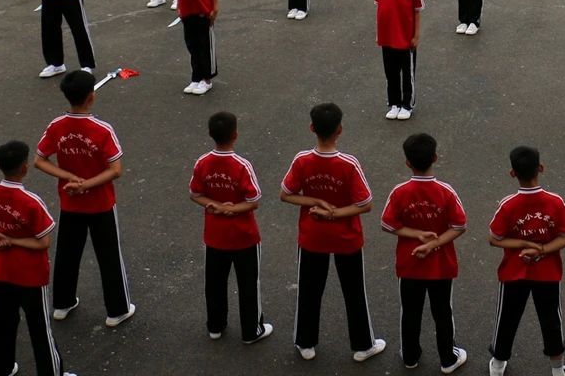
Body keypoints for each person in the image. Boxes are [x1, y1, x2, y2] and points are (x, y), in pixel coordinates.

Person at [280, 102, 384, 362]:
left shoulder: (302, 160)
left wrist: (313, 201)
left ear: (311, 128)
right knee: (354, 291)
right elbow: (366, 204)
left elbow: (286, 194)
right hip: (346, 238)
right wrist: (334, 213)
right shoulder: (348, 164)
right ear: (340, 129)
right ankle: (363, 345)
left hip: (312, 236)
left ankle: (305, 342)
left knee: (309, 289)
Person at [34, 70, 134, 328]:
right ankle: (117, 309)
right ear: (92, 97)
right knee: (109, 255)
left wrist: (68, 177)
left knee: (67, 253)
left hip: (70, 202)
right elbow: (116, 170)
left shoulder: (57, 126)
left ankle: (63, 303)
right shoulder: (102, 129)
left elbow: (39, 160)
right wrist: (86, 184)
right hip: (100, 202)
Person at [0, 140, 67, 376]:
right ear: (24, 168)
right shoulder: (31, 202)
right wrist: (13, 241)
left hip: (1, 271)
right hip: (31, 275)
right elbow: (42, 241)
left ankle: (2, 368)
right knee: (39, 328)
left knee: (2, 324)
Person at [381, 132, 468, 373]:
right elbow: (459, 225)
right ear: (436, 157)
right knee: (442, 312)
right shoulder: (445, 191)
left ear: (407, 162)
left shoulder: (400, 192)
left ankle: (410, 356)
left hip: (409, 265)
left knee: (410, 312)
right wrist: (434, 243)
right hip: (441, 265)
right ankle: (447, 358)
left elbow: (388, 224)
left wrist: (415, 235)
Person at [487, 145, 565, 376]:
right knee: (550, 320)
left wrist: (522, 245)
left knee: (506, 317)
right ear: (541, 168)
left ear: (512, 173)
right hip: (547, 273)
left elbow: (495, 239)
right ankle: (558, 369)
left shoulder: (507, 205)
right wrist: (542, 248)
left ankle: (497, 365)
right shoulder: (555, 202)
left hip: (513, 272)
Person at [190, 111, 271, 345]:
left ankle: (215, 325)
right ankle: (251, 330)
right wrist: (232, 209)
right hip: (243, 236)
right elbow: (253, 200)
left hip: (215, 235)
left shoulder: (202, 162)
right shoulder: (242, 166)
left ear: (210, 134)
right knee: (248, 284)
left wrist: (214, 205)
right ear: (235, 134)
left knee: (214, 282)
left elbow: (195, 194)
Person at [376, 0, 422, 119]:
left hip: (405, 40)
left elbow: (417, 12)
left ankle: (407, 104)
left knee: (407, 73)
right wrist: (379, 34)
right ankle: (394, 103)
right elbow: (381, 11)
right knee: (391, 72)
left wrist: (416, 36)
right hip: (387, 39)